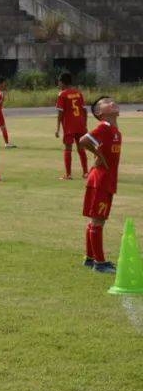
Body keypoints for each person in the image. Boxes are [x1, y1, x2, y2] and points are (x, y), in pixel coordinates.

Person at [80, 96, 121, 274]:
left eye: (112, 100)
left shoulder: (115, 130)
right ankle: (100, 263)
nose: (112, 102)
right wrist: (99, 155)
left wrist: (99, 154)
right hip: (101, 180)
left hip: (104, 179)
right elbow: (83, 141)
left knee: (96, 220)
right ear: (99, 113)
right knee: (98, 220)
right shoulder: (104, 127)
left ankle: (90, 258)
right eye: (106, 102)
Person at [54, 73, 88, 180]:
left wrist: (58, 128)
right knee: (81, 148)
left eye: (59, 82)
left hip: (69, 126)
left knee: (68, 149)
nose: (58, 84)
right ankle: (86, 173)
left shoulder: (62, 94)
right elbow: (85, 110)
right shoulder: (78, 93)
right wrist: (85, 124)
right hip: (80, 125)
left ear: (62, 82)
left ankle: (68, 175)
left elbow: (60, 113)